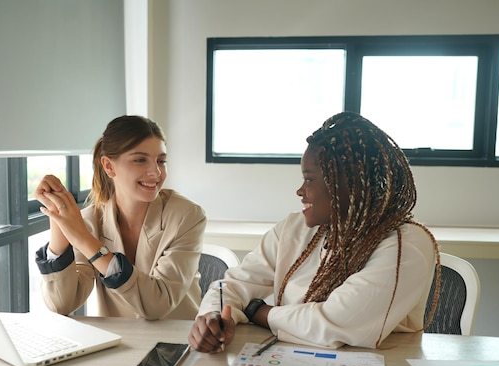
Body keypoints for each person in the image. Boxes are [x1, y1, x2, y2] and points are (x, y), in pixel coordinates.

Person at [188, 111, 441, 352]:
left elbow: (335, 322)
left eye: (309, 179)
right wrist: (213, 316)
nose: (300, 190)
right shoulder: (294, 228)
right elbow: (233, 284)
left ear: (350, 184)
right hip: (293, 363)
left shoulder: (404, 244)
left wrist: (259, 312)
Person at [34, 115, 206, 320]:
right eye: (140, 160)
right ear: (108, 166)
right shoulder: (90, 221)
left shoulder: (186, 215)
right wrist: (57, 220)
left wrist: (83, 239)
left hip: (179, 343)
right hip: (120, 345)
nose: (156, 172)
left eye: (161, 161)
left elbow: (157, 304)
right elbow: (62, 304)